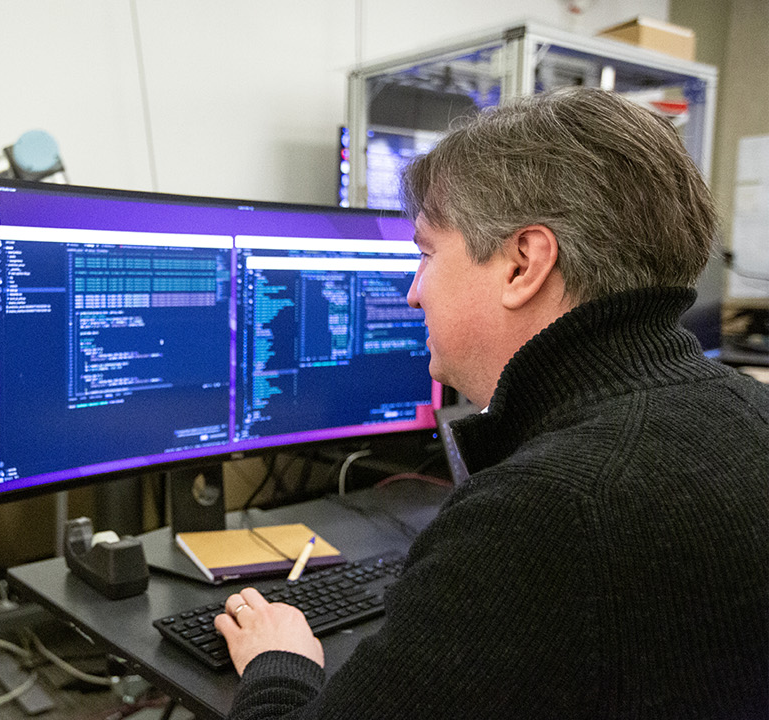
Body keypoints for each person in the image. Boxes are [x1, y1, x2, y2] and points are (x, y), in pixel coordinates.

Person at [213, 86, 769, 718]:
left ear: (522, 265)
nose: (414, 292)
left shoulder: (547, 511)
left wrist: (278, 663)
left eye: (426, 253)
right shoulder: (748, 412)